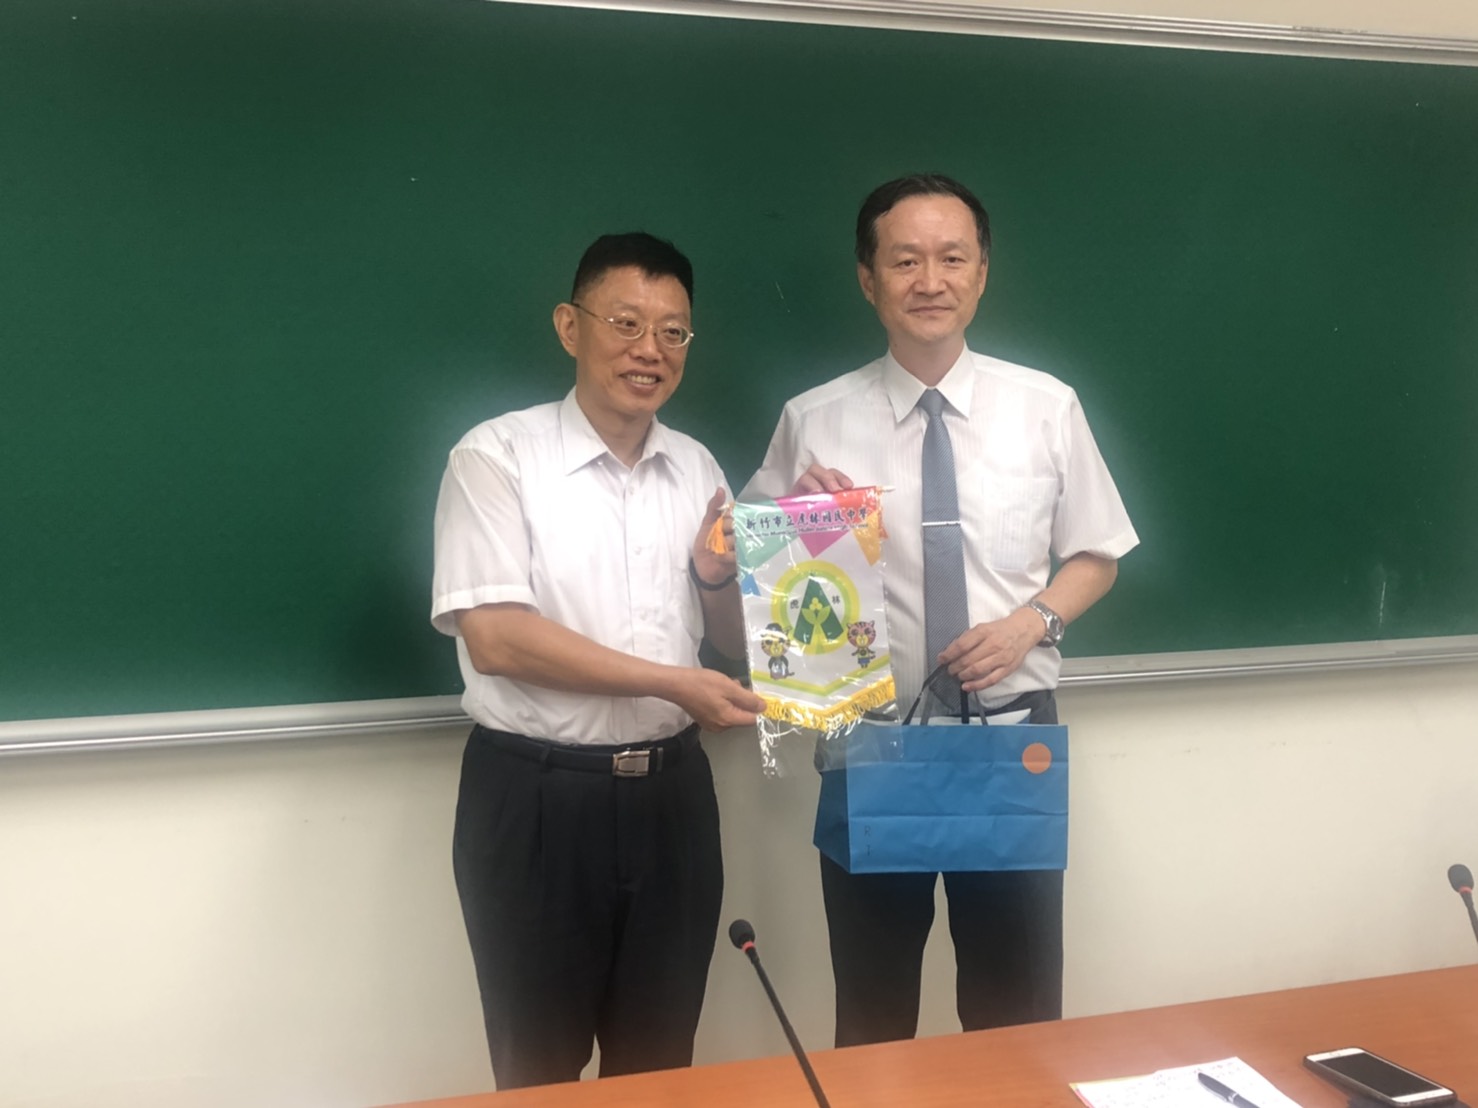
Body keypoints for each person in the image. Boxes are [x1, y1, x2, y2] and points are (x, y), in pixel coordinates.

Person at [742, 173, 1139, 1046]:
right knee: (873, 1011)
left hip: (1009, 738)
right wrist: (798, 525)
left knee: (1017, 1013)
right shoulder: (813, 420)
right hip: (873, 740)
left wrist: (1034, 621)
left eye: (952, 259)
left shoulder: (1046, 407)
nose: (931, 281)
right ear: (868, 278)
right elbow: (763, 585)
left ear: (982, 273)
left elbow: (1098, 553)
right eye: (905, 261)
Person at [431, 232, 765, 1089]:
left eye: (673, 332)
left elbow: (733, 643)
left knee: (660, 1068)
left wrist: (715, 577)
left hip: (673, 800)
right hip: (537, 800)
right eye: (626, 322)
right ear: (569, 326)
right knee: (539, 1070)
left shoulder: (696, 467)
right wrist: (673, 682)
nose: (649, 349)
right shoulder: (496, 457)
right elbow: (497, 638)